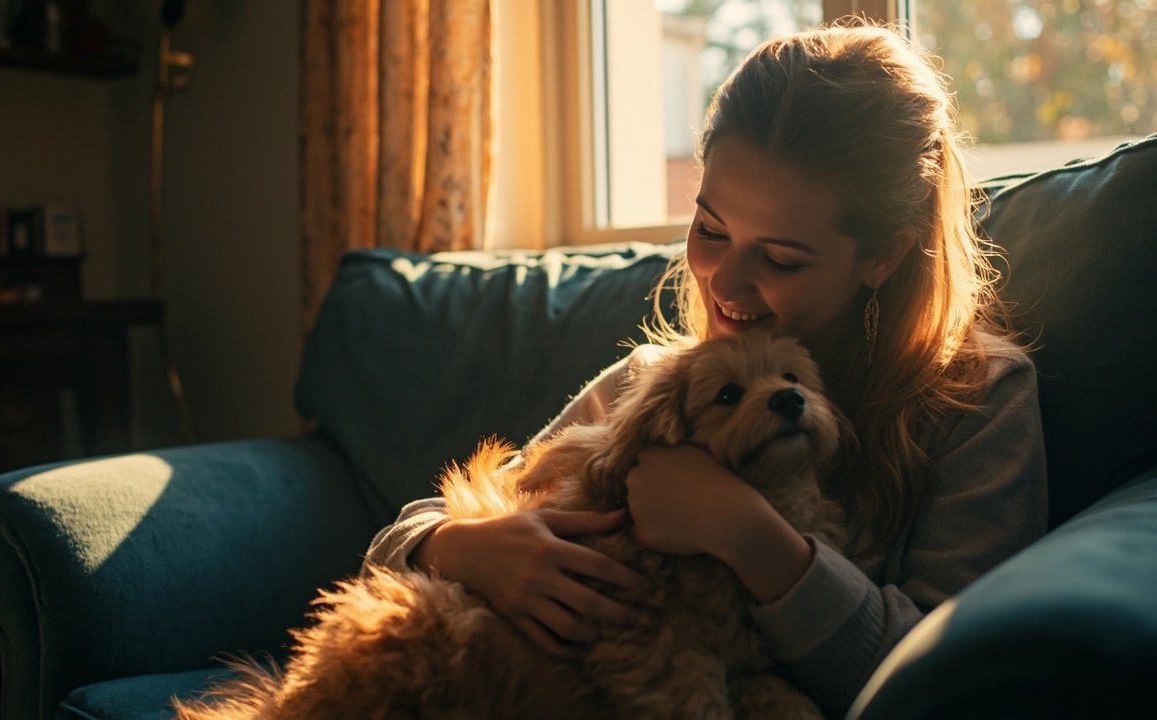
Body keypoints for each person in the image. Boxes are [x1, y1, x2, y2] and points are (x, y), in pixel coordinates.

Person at [363, 20, 1047, 717]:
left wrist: (750, 535)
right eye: (711, 230)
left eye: (779, 259)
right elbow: (390, 551)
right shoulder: (655, 385)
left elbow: (956, 680)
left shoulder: (977, 401)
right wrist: (457, 546)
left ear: (884, 256)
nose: (725, 282)